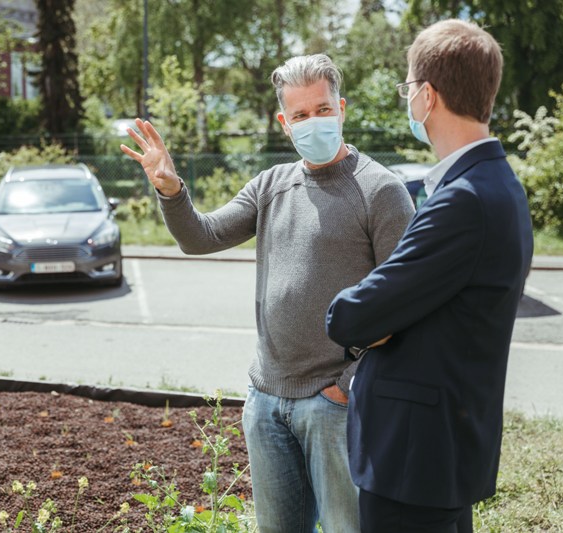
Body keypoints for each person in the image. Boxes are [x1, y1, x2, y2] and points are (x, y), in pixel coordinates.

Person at [120, 54, 415, 533]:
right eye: (300, 115)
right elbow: (201, 237)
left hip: (334, 406)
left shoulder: (380, 191)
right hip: (266, 401)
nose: (313, 122)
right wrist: (171, 191)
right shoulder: (271, 185)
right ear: (284, 122)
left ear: (342, 108)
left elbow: (404, 305)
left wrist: (347, 386)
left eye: (322, 109)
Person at [326, 20, 534, 533]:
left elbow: (351, 317)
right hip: (439, 451)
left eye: (407, 88)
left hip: (415, 460)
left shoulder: (463, 200)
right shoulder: (496, 183)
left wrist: (376, 318)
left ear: (428, 95)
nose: (408, 101)